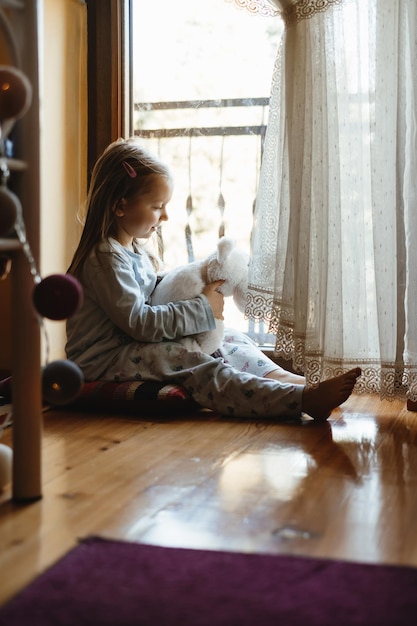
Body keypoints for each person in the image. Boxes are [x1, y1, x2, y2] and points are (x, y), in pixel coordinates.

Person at [66, 138, 361, 421]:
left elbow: (149, 293)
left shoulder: (131, 250)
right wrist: (201, 308)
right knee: (193, 361)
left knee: (228, 337)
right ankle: (298, 400)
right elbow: (139, 322)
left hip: (130, 347)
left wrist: (196, 276)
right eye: (157, 207)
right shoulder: (105, 258)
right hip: (105, 359)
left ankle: (290, 381)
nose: (165, 216)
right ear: (120, 206)